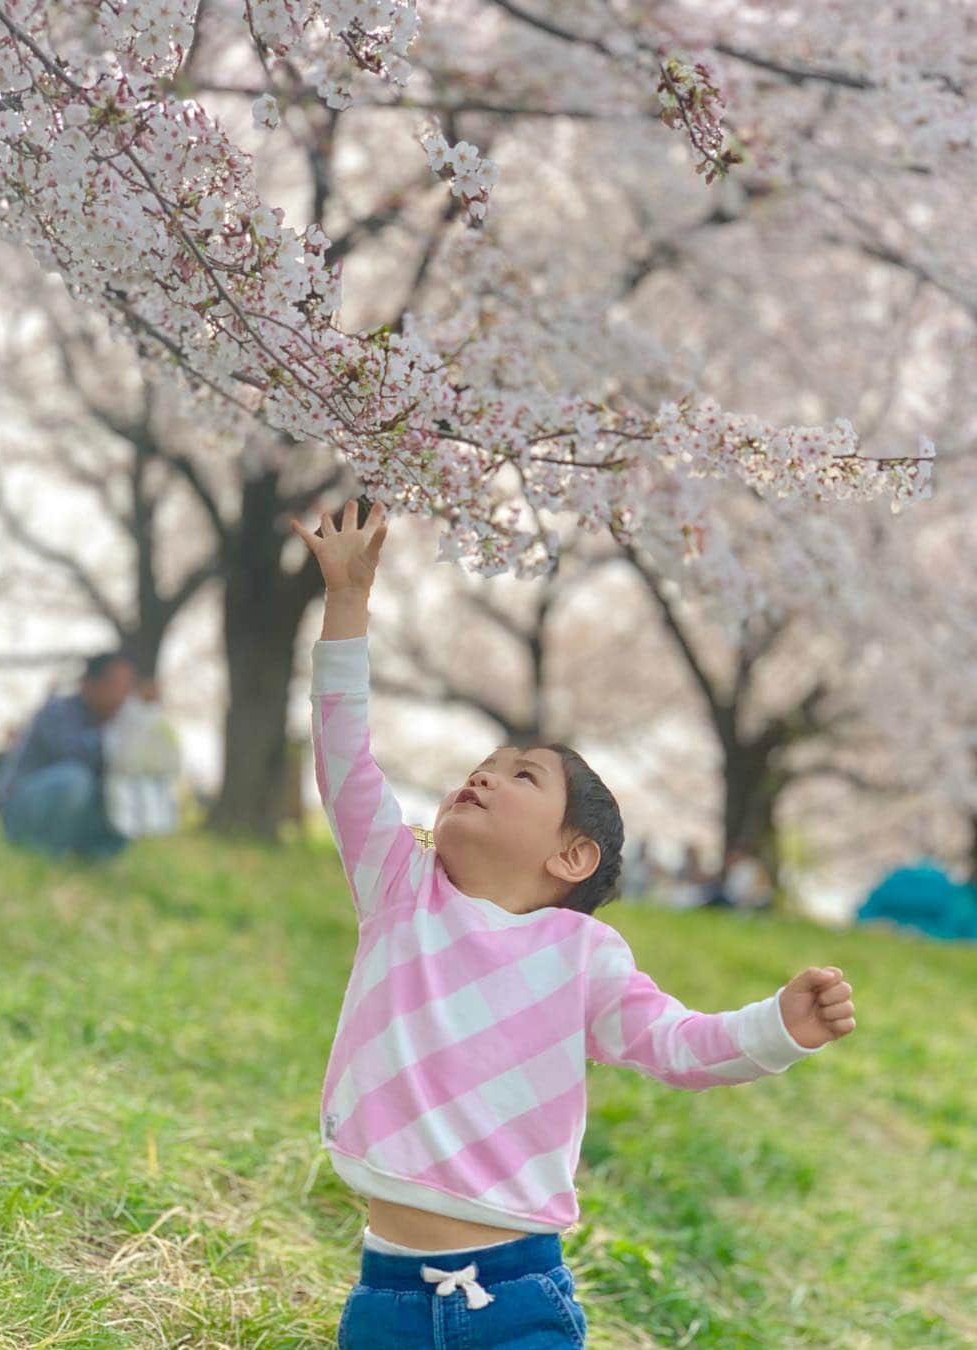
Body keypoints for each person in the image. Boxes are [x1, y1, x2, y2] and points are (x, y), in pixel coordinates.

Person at [290, 500, 859, 1349]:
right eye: (479, 768)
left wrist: (780, 1028)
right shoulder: (401, 892)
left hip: (519, 1298)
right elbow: (344, 759)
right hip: (384, 1302)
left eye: (520, 777)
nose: (480, 778)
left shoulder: (582, 956)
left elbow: (679, 1045)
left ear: (573, 857)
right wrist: (346, 607)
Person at [0, 652, 135, 859]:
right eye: (115, 685)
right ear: (89, 684)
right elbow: (76, 757)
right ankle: (39, 848)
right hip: (23, 807)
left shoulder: (118, 727)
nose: (122, 696)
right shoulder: (59, 711)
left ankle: (86, 855)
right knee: (75, 779)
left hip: (73, 815)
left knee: (130, 795)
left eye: (127, 688)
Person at [102, 676, 182, 838]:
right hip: (129, 770)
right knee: (130, 806)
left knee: (159, 806)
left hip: (156, 770)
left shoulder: (158, 715)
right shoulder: (127, 712)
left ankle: (157, 835)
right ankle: (129, 835)